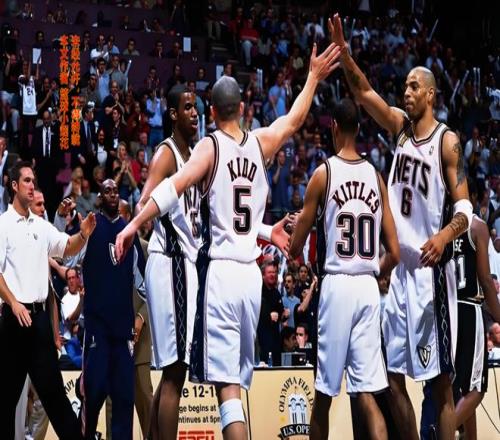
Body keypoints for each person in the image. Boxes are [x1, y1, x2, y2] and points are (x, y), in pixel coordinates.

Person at [115, 42, 341, 440]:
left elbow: (172, 187)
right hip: (251, 276)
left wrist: (134, 224)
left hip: (219, 275)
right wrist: (312, 78)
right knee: (227, 383)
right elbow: (292, 121)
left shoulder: (209, 146)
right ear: (242, 108)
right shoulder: (260, 142)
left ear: (213, 112)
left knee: (227, 393)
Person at [329, 14, 473, 440]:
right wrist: (345, 54)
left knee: (440, 384)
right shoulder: (399, 129)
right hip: (398, 275)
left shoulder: (447, 141)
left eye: (413, 87)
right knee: (390, 378)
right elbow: (363, 92)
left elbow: (466, 207)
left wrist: (445, 234)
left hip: (431, 274)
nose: (405, 93)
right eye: (405, 87)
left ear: (430, 94)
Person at [289, 98, 400, 439]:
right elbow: (394, 252)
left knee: (323, 394)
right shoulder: (376, 176)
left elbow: (294, 248)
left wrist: (298, 227)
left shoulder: (324, 173)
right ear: (359, 128)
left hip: (336, 285)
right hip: (367, 286)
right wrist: (373, 272)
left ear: (334, 127)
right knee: (368, 394)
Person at [0, 161, 95, 439]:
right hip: (14, 321)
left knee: (56, 398)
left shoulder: (41, 226)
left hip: (40, 321)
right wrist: (13, 302)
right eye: (27, 181)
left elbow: (66, 247)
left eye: (34, 180)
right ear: (14, 186)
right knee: (5, 401)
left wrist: (83, 234)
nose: (32, 185)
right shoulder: (3, 225)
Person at [421, 179, 500, 439]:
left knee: (458, 388)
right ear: (473, 197)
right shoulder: (477, 226)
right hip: (468, 309)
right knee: (476, 389)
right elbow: (486, 280)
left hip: (443, 311)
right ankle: (440, 432)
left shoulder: (439, 229)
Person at [79, 179, 145, 440]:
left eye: (116, 191)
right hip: (97, 328)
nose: (112, 194)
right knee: (93, 394)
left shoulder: (129, 232)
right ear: (99, 197)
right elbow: (71, 258)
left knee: (124, 399)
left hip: (122, 330)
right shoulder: (92, 225)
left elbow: (143, 282)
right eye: (107, 191)